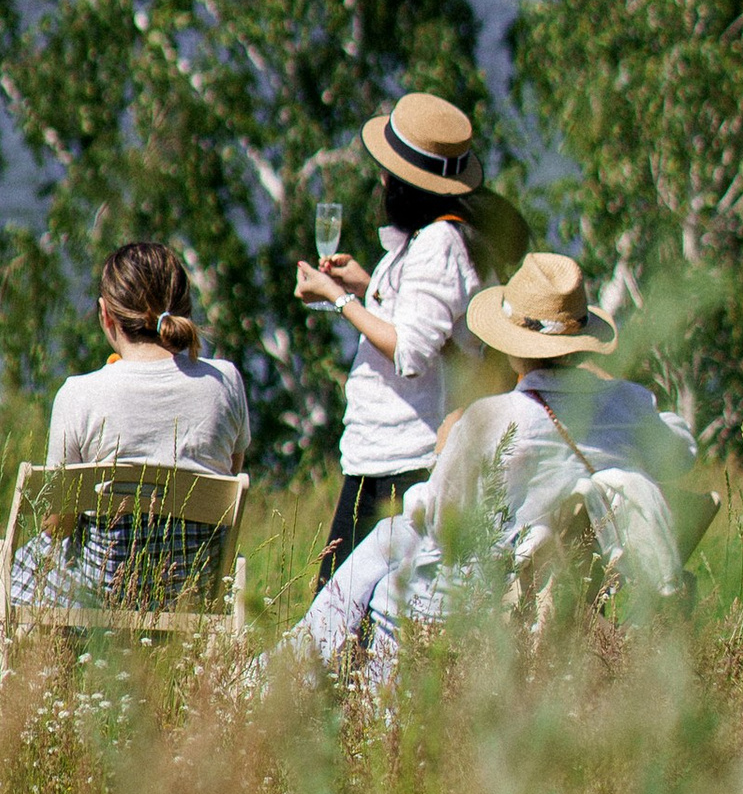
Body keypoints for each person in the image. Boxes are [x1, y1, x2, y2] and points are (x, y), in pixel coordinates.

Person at [280, 253, 699, 687]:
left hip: (493, 601)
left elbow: (439, 525)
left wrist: (444, 450)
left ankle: (299, 666)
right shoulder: (628, 404)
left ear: (512, 344)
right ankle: (298, 658)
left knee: (395, 539)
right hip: (576, 595)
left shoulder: (492, 419)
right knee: (391, 538)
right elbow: (683, 450)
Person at [0, 240, 250, 631]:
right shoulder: (226, 382)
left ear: (106, 315)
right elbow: (228, 480)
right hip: (193, 585)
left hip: (103, 591)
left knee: (28, 557)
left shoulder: (79, 394)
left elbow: (59, 524)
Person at [293, 91, 487, 589]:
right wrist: (365, 284)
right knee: (342, 603)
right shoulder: (427, 242)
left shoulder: (438, 244)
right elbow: (421, 319)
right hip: (381, 451)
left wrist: (340, 299)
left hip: (407, 456)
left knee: (351, 608)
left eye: (388, 172)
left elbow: (411, 351)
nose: (380, 180)